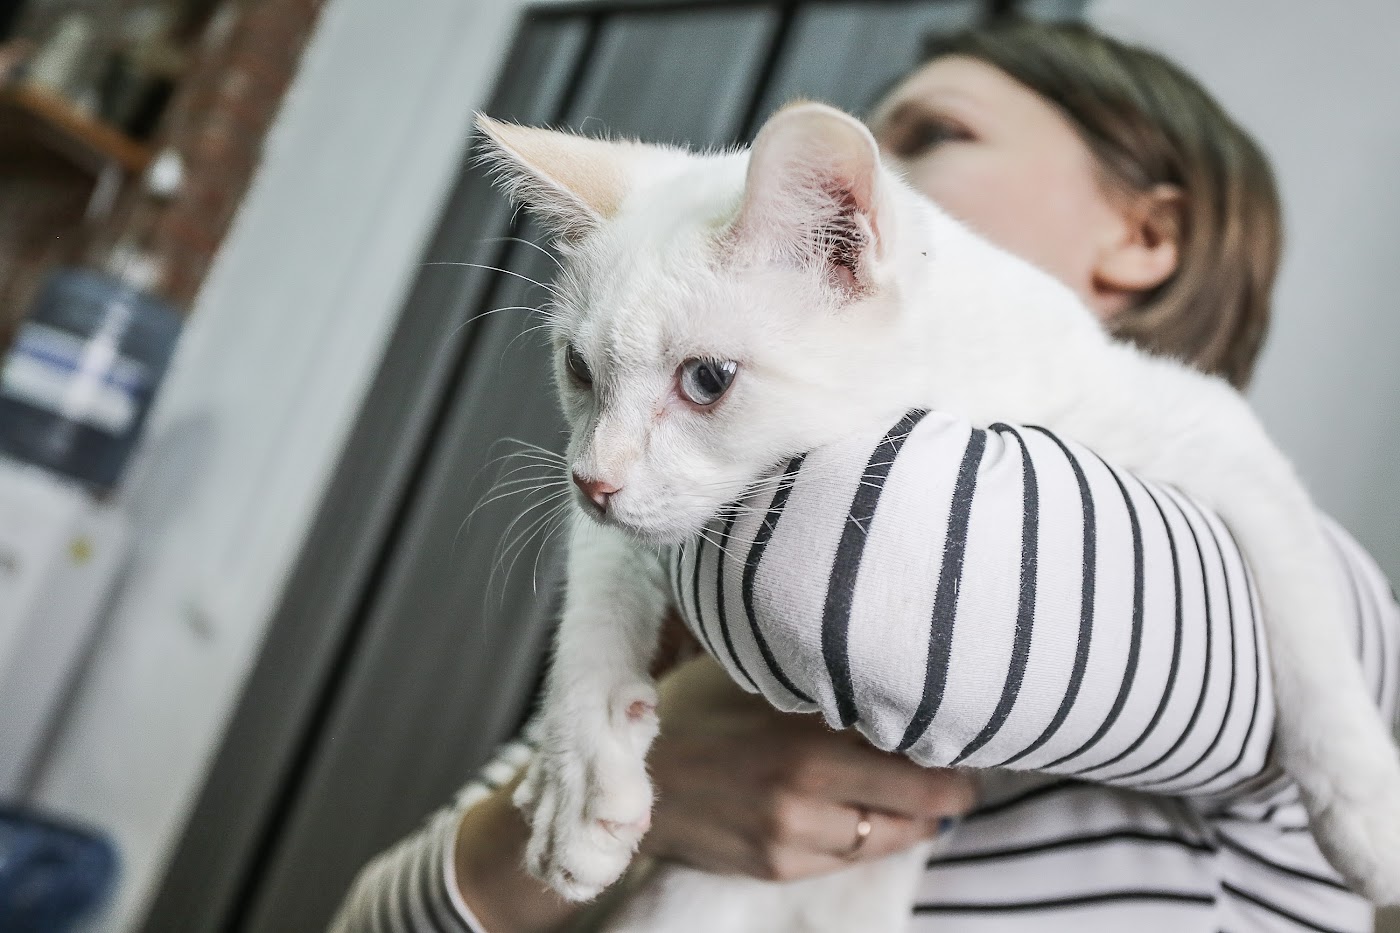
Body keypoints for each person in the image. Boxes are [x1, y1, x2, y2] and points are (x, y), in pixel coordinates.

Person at [331, 19, 1397, 933]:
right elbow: (370, 918)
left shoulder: (1310, 598)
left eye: (932, 135)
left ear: (1142, 234)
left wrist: (619, 689)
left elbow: (874, 562)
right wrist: (570, 799)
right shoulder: (707, 514)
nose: (865, 180)